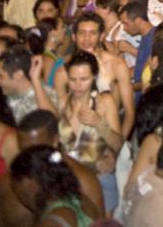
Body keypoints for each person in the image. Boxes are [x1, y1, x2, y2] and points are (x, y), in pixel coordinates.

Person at [56, 51, 122, 213]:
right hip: (69, 182)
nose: (78, 85)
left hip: (100, 181)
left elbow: (118, 144)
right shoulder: (62, 103)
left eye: (84, 79)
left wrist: (99, 124)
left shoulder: (104, 102)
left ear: (94, 77)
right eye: (73, 79)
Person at [9, 145, 98, 227]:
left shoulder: (52, 223)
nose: (19, 197)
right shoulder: (83, 201)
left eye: (16, 188)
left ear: (29, 183)